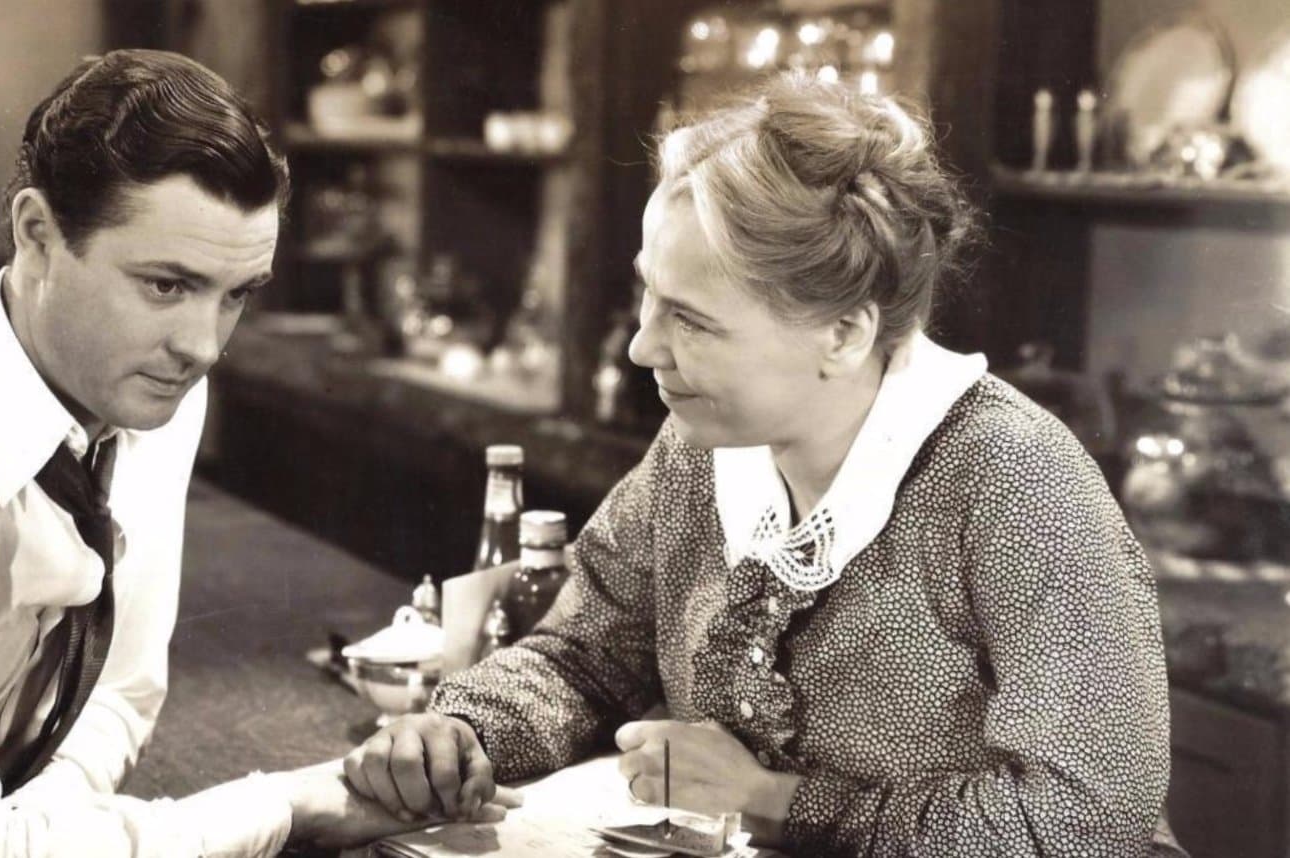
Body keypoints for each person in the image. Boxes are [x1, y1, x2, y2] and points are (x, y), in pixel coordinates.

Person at [346, 73, 1186, 856]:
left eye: (693, 321)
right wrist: (461, 733)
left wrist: (774, 800)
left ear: (844, 333)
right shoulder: (700, 450)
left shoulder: (1015, 483)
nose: (644, 346)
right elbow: (584, 652)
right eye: (647, 296)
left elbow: (1089, 819)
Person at [0, 49, 505, 857]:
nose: (202, 347)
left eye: (237, 296)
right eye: (165, 284)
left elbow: (120, 689)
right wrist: (284, 808)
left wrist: (45, 830)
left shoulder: (146, 387)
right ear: (38, 233)